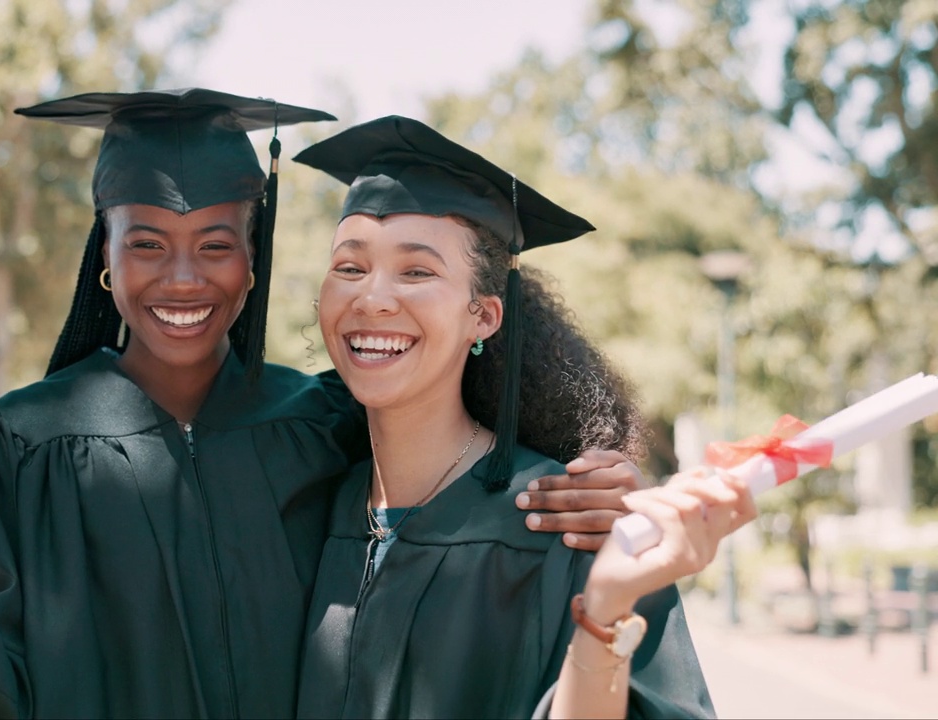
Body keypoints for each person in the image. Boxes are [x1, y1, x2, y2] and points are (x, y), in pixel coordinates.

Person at [0, 91, 648, 719]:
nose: (181, 276)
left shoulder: (329, 423)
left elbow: (451, 456)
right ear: (102, 255)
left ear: (254, 259)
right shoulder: (21, 442)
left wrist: (593, 470)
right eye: (145, 242)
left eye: (215, 244)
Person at [292, 115, 755, 719]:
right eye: (349, 267)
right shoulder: (303, 500)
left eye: (417, 271)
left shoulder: (564, 524)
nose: (372, 296)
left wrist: (609, 603)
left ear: (483, 316)